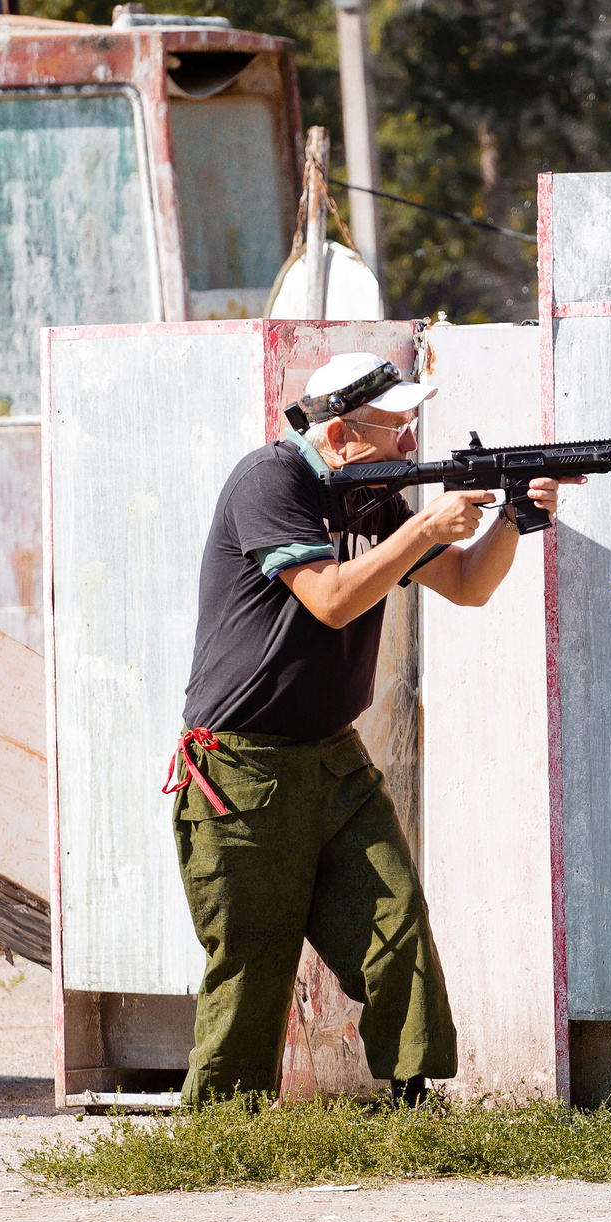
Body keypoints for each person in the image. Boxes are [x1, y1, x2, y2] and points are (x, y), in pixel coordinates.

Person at [167, 350, 564, 1104]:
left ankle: (415, 1104)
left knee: (396, 925)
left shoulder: (372, 495)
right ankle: (220, 1136)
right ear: (344, 436)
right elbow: (332, 599)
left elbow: (469, 585)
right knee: (251, 964)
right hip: (239, 772)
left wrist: (513, 518)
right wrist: (424, 531)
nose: (409, 446)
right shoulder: (270, 481)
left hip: (332, 760)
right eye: (396, 430)